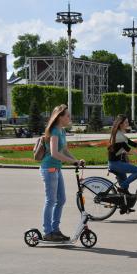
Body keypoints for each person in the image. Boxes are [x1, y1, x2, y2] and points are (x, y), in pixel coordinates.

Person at [40, 104, 85, 242]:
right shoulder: (54, 131)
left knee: (61, 199)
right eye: (67, 116)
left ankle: (55, 230)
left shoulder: (62, 131)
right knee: (51, 200)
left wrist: (76, 160)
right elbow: (54, 153)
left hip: (57, 169)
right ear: (59, 117)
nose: (69, 118)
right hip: (49, 168)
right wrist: (72, 162)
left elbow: (64, 151)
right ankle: (48, 232)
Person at [108, 114, 137, 214]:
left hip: (117, 162)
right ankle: (122, 186)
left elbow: (133, 144)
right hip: (115, 164)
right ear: (121, 124)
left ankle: (124, 206)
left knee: (125, 189)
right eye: (126, 122)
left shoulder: (120, 134)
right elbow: (130, 150)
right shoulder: (119, 136)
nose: (128, 123)